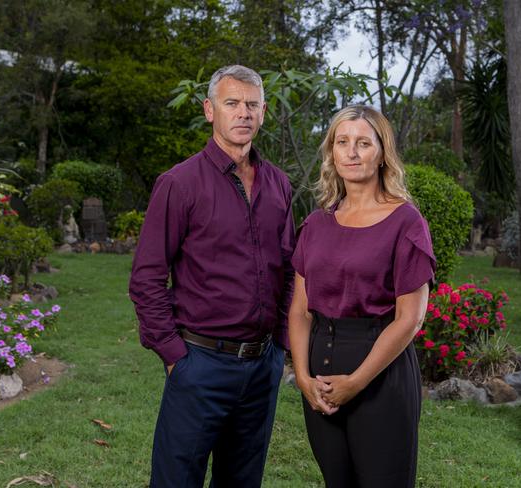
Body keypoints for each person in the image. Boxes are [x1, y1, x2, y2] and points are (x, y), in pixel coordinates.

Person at [129, 65, 295, 488]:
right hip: (199, 364)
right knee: (176, 480)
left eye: (252, 105)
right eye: (232, 103)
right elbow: (147, 277)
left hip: (262, 367)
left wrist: (280, 345)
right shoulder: (179, 184)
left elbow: (290, 269)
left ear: (263, 113)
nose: (243, 113)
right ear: (210, 110)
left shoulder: (279, 185)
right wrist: (173, 356)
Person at [288, 105, 436, 488]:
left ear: (382, 153)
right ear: (331, 153)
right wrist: (303, 377)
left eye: (363, 143)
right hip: (320, 369)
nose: (351, 153)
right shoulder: (317, 223)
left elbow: (410, 319)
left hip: (379, 372)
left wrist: (356, 381)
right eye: (342, 142)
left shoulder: (406, 222)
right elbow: (301, 311)